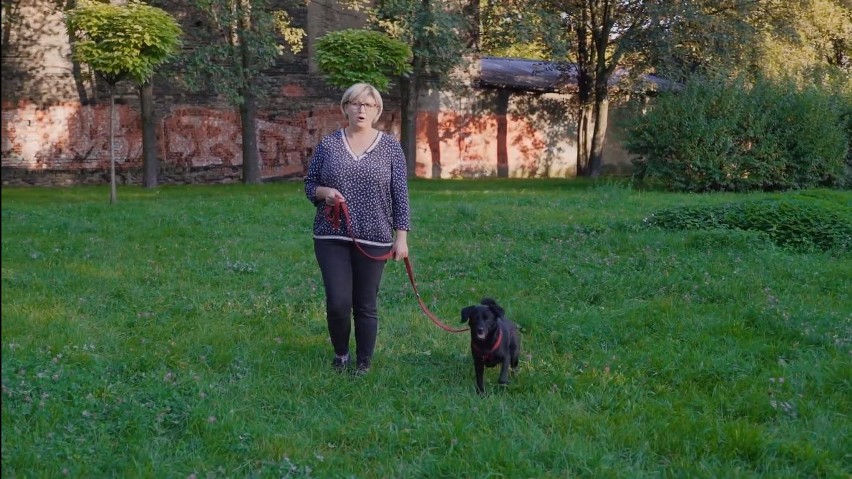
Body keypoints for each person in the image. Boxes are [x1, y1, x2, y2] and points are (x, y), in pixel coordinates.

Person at [304, 82, 411, 376]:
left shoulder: (390, 147)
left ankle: (364, 362)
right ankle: (341, 355)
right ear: (346, 107)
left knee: (365, 303)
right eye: (355, 103)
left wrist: (400, 237)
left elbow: (400, 193)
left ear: (377, 110)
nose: (361, 110)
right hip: (331, 234)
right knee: (338, 303)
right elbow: (309, 185)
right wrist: (325, 192)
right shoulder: (329, 144)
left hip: (375, 236)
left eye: (368, 105)